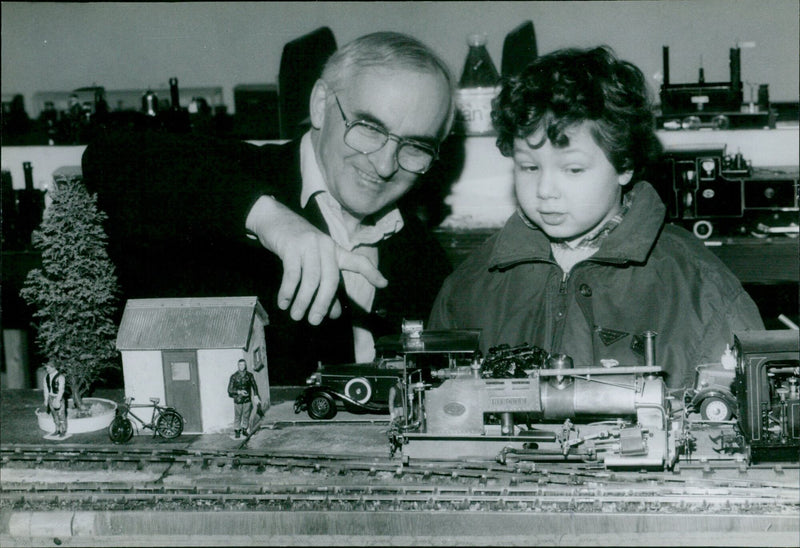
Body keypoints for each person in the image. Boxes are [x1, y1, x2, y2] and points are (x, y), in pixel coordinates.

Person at [82, 32, 454, 385]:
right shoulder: (241, 172)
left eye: (415, 147)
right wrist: (267, 217)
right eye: (370, 127)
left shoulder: (426, 260)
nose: (386, 165)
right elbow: (110, 156)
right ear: (322, 105)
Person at [428, 46, 764, 391]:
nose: (545, 190)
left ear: (624, 164)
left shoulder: (701, 289)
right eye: (529, 166)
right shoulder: (467, 287)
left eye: (572, 168)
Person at [227, 359, 260, 438]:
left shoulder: (249, 375)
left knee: (246, 415)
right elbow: (229, 390)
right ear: (238, 366)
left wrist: (256, 395)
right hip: (238, 400)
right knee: (238, 416)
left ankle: (244, 429)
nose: (242, 366)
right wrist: (239, 392)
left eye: (243, 365)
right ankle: (237, 430)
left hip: (247, 400)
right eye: (240, 365)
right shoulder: (234, 376)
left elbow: (254, 385)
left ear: (245, 366)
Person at [43, 363, 67, 437]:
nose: (47, 370)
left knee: (61, 414)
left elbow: (61, 390)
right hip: (51, 397)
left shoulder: (60, 377)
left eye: (49, 368)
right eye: (46, 368)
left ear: (54, 367)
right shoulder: (46, 377)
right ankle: (57, 429)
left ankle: (63, 430)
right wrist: (46, 399)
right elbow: (46, 389)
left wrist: (57, 400)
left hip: (58, 397)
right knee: (54, 414)